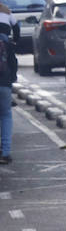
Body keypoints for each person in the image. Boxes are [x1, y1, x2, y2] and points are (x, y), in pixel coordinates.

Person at [0, 21, 15, 165]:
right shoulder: (8, 44)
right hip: (4, 84)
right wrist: (11, 81)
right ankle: (5, 152)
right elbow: (13, 64)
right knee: (5, 116)